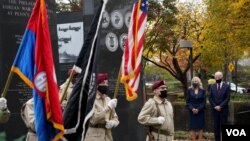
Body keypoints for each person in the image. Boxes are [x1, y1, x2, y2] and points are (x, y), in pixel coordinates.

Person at [84, 73, 119, 141]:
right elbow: (93, 120)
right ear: (97, 85)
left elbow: (116, 118)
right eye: (103, 83)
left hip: (107, 136)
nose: (106, 85)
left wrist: (112, 123)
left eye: (107, 83)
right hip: (94, 136)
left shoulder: (108, 99)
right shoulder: (91, 100)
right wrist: (108, 107)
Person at [208, 71, 230, 141]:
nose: (217, 78)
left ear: (222, 77)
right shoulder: (212, 86)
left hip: (223, 110)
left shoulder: (226, 86)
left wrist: (220, 106)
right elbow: (210, 97)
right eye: (216, 77)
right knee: (216, 127)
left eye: (219, 76)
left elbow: (227, 98)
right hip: (214, 111)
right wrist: (215, 106)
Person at [186, 76, 206, 141]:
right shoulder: (189, 90)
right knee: (193, 127)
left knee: (200, 127)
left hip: (200, 110)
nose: (195, 82)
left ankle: (200, 140)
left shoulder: (203, 90)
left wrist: (198, 109)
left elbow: (204, 102)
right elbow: (188, 101)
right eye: (194, 81)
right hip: (192, 111)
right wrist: (192, 109)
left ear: (199, 82)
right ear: (192, 82)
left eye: (196, 81)